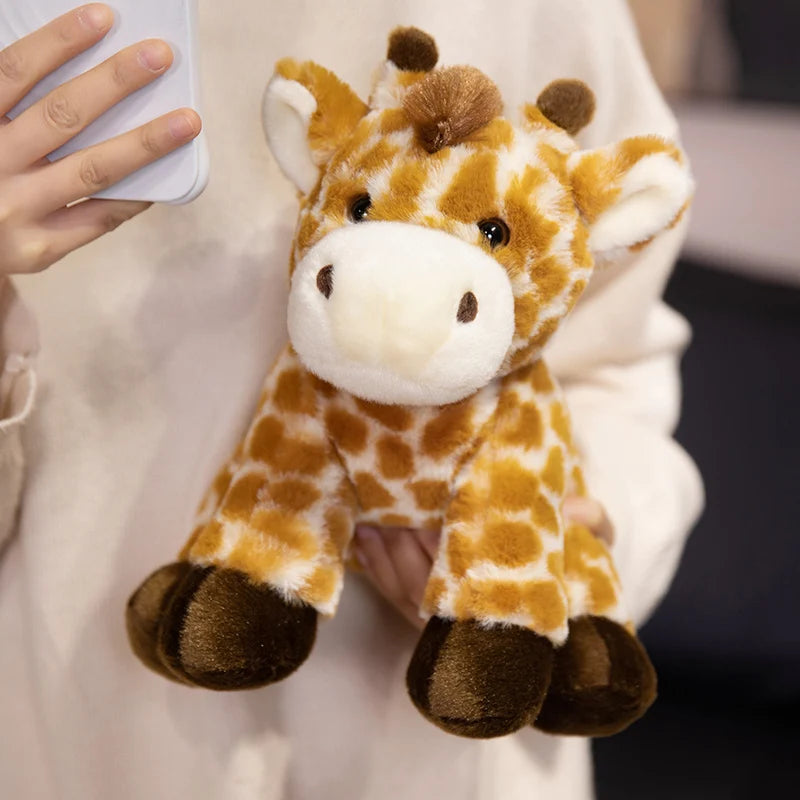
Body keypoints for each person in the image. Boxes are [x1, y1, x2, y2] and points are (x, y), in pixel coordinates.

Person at [0, 2, 703, 798]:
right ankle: (248, 589)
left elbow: (620, 364)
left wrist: (568, 543)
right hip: (80, 735)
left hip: (431, 765)